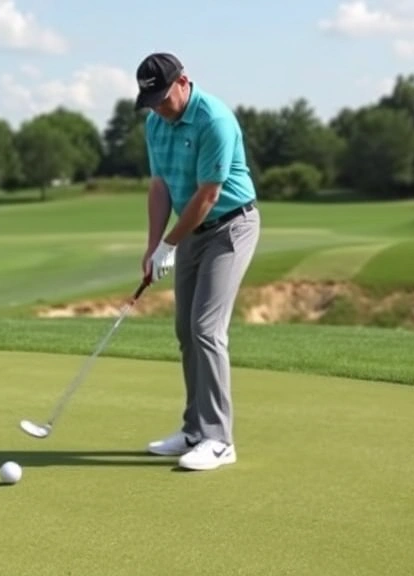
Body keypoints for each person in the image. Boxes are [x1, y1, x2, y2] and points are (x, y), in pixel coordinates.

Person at [135, 52, 261, 471]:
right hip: (191, 230)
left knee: (206, 328)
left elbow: (208, 195)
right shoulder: (155, 122)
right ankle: (194, 429)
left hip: (230, 225)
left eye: (162, 96)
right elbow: (159, 188)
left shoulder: (215, 120)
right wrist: (155, 247)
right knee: (185, 330)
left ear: (183, 82)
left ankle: (220, 440)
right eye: (149, 100)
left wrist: (170, 244)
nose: (157, 107)